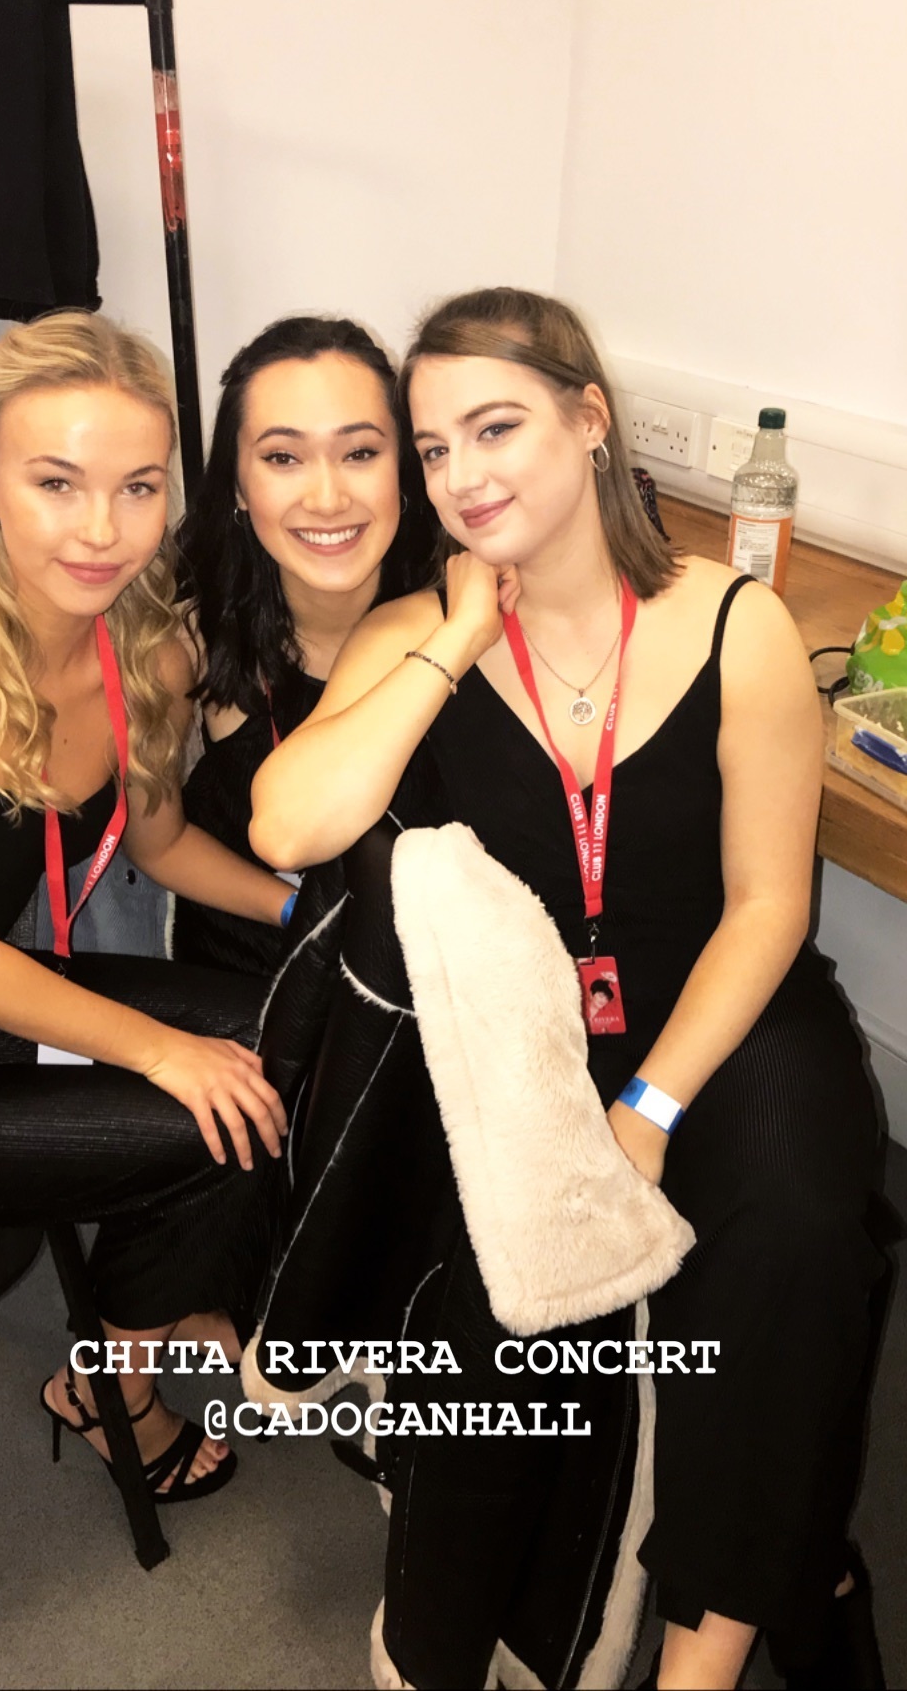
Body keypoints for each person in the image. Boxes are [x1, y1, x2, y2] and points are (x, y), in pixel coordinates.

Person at [250, 287, 885, 1688]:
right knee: (504, 1299)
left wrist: (651, 1107)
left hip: (726, 1009)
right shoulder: (417, 629)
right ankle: (543, 1613)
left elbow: (770, 906)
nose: (461, 477)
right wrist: (453, 639)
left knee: (795, 1240)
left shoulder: (733, 623)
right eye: (432, 450)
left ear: (589, 419)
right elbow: (288, 825)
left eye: (496, 429)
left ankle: (704, 1658)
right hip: (530, 1044)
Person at [0, 311, 294, 1502]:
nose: (103, 529)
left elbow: (162, 846)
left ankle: (130, 1339)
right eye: (57, 482)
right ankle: (128, 1384)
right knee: (213, 1102)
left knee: (282, 1037)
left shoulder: (144, 651)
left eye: (138, 487)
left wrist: (308, 914)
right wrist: (161, 1049)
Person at [173, 315, 441, 976]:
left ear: (403, 468)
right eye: (283, 458)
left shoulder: (464, 615)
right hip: (241, 992)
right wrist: (298, 912)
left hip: (423, 998)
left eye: (360, 453)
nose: (326, 498)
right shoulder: (190, 635)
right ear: (238, 486)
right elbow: (152, 840)